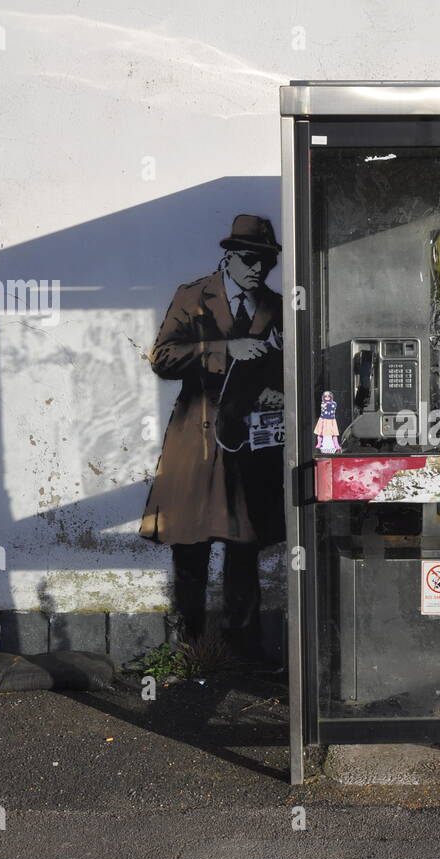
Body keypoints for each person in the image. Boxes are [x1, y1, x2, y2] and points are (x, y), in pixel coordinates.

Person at [139, 214, 286, 657]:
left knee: (246, 545)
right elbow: (162, 358)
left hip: (249, 439)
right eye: (248, 259)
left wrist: (278, 390)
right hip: (197, 436)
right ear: (228, 256)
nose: (257, 268)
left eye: (265, 261)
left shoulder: (275, 305)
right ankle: (191, 643)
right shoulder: (192, 295)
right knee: (190, 543)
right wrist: (222, 349)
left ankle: (241, 650)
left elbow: (284, 363)